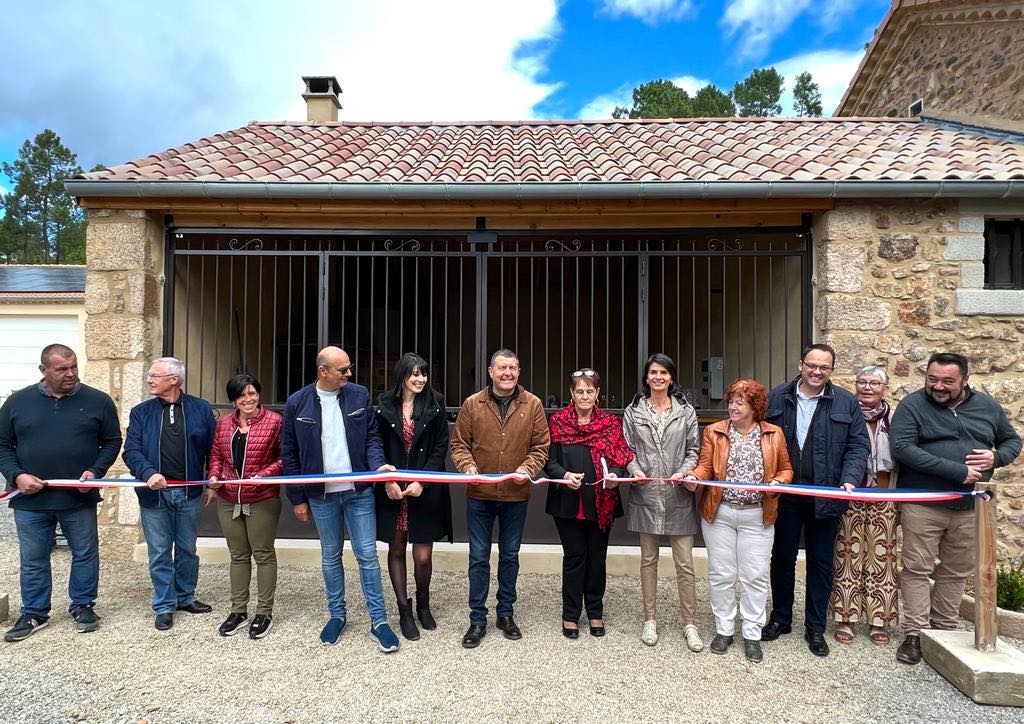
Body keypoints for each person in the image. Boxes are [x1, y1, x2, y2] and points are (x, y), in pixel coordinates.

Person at [892, 352, 1021, 665]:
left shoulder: (988, 407)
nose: (938, 386)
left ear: (965, 380)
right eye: (932, 379)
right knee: (917, 568)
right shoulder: (912, 405)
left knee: (955, 571)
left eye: (947, 381)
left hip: (970, 506)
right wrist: (956, 471)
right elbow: (903, 448)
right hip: (924, 503)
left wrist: (997, 458)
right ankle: (916, 634)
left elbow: (1011, 441)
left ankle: (944, 630)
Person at [281, 346, 400, 653]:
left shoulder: (359, 395)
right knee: (330, 556)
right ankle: (337, 615)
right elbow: (290, 453)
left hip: (358, 491)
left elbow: (373, 437)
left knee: (367, 555)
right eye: (343, 370)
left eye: (349, 368)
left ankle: (379, 621)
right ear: (323, 371)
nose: (349, 374)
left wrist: (376, 467)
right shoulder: (297, 403)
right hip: (320, 496)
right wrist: (297, 497)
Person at [0, 344, 122, 642]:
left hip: (78, 498)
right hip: (29, 500)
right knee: (33, 557)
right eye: (62, 369)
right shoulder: (17, 402)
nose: (71, 374)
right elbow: (2, 445)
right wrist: (17, 476)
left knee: (84, 553)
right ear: (43, 370)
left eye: (74, 367)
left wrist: (95, 471)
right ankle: (34, 613)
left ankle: (82, 606)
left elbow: (112, 441)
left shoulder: (98, 401)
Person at [762, 343, 869, 657]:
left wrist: (849, 478)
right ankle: (780, 618)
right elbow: (762, 437)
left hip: (826, 496)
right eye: (812, 365)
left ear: (832, 370)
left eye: (824, 367)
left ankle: (815, 627)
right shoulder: (778, 396)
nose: (817, 371)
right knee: (782, 558)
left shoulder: (846, 403)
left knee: (821, 563)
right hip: (787, 495)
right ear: (801, 365)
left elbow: (858, 446)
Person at [684, 379, 791, 663]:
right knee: (722, 574)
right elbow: (706, 465)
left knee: (754, 575)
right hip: (720, 513)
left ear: (754, 406)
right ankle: (724, 629)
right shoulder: (715, 432)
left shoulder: (773, 434)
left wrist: (778, 480)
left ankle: (752, 633)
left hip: (758, 514)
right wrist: (695, 477)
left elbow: (786, 469)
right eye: (731, 401)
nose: (732, 406)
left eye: (739, 402)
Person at [450, 348, 550, 649]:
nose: (508, 373)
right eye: (502, 368)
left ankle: (505, 614)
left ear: (519, 372)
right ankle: (477, 619)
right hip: (479, 495)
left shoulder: (532, 405)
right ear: (490, 372)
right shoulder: (472, 405)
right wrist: (467, 466)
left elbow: (541, 446)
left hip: (516, 495)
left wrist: (526, 468)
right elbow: (458, 445)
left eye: (514, 368)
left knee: (509, 556)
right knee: (478, 558)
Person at [124, 357, 216, 631]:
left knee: (188, 549)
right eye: (150, 375)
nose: (149, 379)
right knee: (160, 552)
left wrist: (211, 482)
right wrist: (148, 472)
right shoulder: (141, 412)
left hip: (189, 493)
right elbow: (131, 451)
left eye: (155, 375)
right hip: (154, 496)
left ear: (174, 379)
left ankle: (186, 597)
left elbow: (214, 449)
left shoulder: (200, 409)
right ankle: (164, 605)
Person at [622, 353, 703, 652]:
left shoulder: (686, 412)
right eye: (653, 372)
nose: (658, 377)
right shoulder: (634, 412)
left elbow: (694, 450)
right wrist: (634, 470)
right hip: (646, 494)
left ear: (671, 378)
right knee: (648, 561)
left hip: (678, 494)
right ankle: (650, 619)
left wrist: (684, 472)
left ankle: (690, 624)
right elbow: (626, 449)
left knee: (685, 563)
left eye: (664, 373)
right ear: (646, 378)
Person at [545, 368, 632, 639]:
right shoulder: (557, 422)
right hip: (567, 503)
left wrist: (616, 474)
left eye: (590, 391)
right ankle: (570, 614)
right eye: (579, 391)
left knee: (597, 558)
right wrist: (563, 475)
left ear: (597, 394)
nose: (584, 396)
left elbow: (621, 456)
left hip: (601, 503)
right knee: (574, 558)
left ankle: (595, 611)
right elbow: (547, 460)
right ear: (571, 393)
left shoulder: (610, 424)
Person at [375, 353, 452, 641]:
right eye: (414, 374)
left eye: (423, 373)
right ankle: (404, 610)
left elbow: (441, 445)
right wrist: (387, 480)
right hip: (393, 490)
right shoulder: (384, 404)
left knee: (422, 555)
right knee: (396, 550)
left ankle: (423, 604)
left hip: (423, 489)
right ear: (402, 377)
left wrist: (424, 480)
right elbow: (376, 444)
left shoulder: (435, 402)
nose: (420, 379)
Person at [204, 373, 283, 640]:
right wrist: (214, 476)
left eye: (253, 393)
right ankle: (238, 610)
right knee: (238, 555)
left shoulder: (274, 421)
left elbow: (284, 459)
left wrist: (265, 475)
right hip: (228, 498)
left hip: (261, 498)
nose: (249, 399)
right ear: (234, 399)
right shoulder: (224, 423)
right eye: (242, 395)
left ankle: (264, 612)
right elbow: (216, 454)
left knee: (262, 553)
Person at [831, 366, 899, 647]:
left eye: (875, 383)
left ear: (885, 389)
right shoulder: (846, 413)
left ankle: (878, 620)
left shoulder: (895, 419)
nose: (868, 387)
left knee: (881, 557)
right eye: (863, 382)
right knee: (847, 554)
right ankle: (845, 616)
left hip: (885, 495)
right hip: (851, 493)